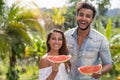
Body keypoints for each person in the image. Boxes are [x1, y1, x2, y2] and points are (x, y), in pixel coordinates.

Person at [64, 2, 113, 80]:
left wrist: (101, 71)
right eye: (81, 15)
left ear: (92, 20)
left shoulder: (101, 39)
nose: (83, 18)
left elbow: (108, 63)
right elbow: (61, 55)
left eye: (88, 16)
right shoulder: (66, 36)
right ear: (77, 16)